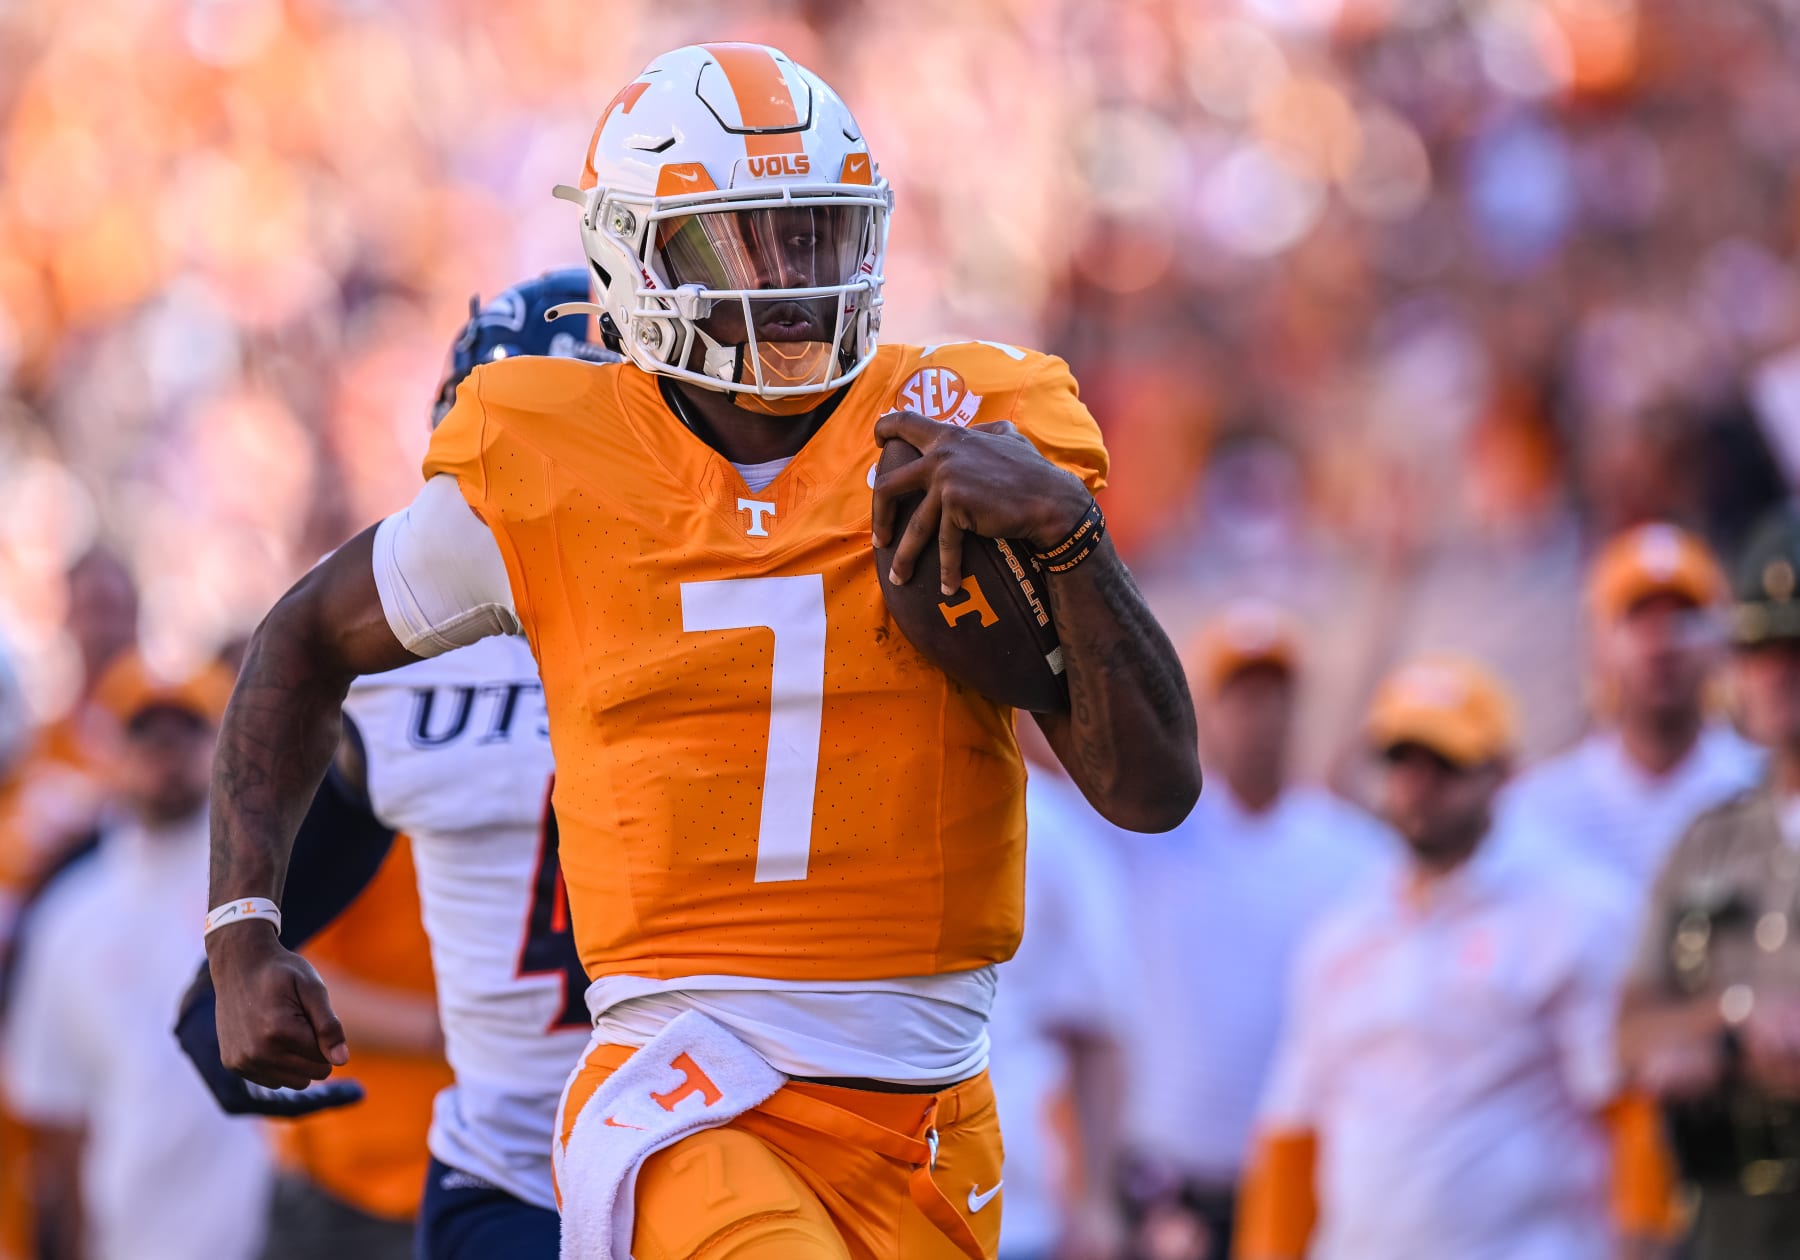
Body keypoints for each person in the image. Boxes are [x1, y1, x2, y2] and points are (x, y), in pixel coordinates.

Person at [203, 42, 1200, 1260]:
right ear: (632, 255)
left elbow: (1153, 792)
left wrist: (1068, 537)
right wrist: (242, 927)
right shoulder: (545, 460)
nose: (788, 283)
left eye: (814, 236)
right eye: (742, 242)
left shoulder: (968, 424)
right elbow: (302, 638)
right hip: (691, 1082)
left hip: (931, 1106)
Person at [178, 268, 609, 1260]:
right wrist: (230, 966)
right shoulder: (401, 668)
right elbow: (324, 831)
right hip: (534, 1169)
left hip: (665, 1150)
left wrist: (221, 981)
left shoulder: (405, 667)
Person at [1235, 655, 1673, 1260]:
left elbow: (1630, 1107)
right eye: (1401, 761)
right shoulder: (1342, 931)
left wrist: (1643, 1243)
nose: (1420, 785)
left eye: (1445, 764)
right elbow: (1293, 1128)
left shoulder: (1570, 912)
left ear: (1503, 774)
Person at [1111, 600, 1390, 1260]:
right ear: (1209, 712)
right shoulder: (1159, 834)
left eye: (1274, 698)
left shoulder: (1350, 851)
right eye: (1242, 697)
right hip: (1174, 1180)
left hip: (1301, 1173)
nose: (1259, 717)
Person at [2, 653, 271, 1260]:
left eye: (187, 731)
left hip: (277, 1231)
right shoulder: (70, 917)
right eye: (145, 732)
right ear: (114, 747)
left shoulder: (279, 888)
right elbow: (58, 1116)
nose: (165, 753)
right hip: (130, 1236)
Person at [1618, 510, 1800, 1257]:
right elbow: (1630, 1032)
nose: (1777, 671)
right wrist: (1732, 1022)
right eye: (1757, 648)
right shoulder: (1706, 839)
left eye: (1794, 646)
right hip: (1731, 1215)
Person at [1504, 522, 1762, 891]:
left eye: (1683, 616)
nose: (1662, 641)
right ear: (1598, 643)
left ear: (1718, 641)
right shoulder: (1542, 810)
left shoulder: (1755, 784)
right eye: (1638, 617)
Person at [989, 742, 1133, 1260]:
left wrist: (1095, 1203)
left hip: (1017, 1201)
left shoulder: (1051, 825)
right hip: (880, 1188)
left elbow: (1097, 1029)